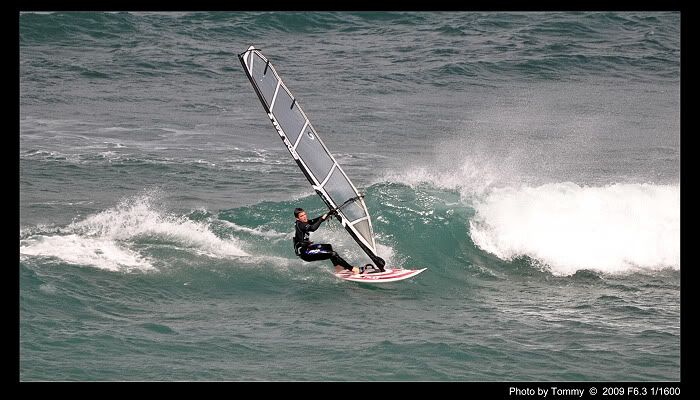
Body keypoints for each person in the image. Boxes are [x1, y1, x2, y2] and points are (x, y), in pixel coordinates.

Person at [293, 207, 360, 274]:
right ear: (297, 218)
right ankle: (352, 269)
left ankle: (338, 268)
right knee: (333, 254)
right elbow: (312, 228)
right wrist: (322, 219)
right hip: (305, 254)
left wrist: (328, 214)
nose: (304, 217)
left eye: (304, 214)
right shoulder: (300, 224)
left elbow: (315, 220)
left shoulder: (303, 222)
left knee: (328, 247)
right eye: (301, 216)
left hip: (307, 248)